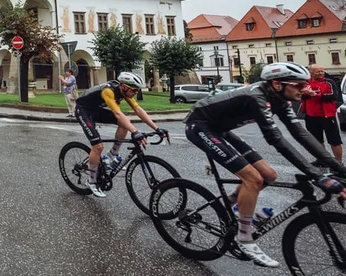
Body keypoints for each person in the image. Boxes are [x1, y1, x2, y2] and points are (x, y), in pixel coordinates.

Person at [184, 62, 346, 267]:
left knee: (269, 175)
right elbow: (276, 140)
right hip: (200, 126)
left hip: (220, 129)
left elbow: (301, 134)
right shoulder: (256, 97)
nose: (304, 89)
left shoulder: (279, 99)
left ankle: (232, 204)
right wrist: (316, 175)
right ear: (277, 85)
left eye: (305, 84)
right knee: (253, 178)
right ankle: (243, 238)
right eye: (298, 85)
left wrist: (339, 169)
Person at [75, 72, 163, 198]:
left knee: (124, 124)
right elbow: (118, 114)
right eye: (134, 90)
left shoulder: (123, 91)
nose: (135, 93)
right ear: (123, 86)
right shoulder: (108, 91)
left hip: (96, 110)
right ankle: (91, 181)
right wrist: (135, 132)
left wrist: (157, 128)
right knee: (98, 146)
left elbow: (138, 110)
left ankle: (111, 157)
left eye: (137, 90)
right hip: (83, 111)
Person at [302, 64, 342, 163]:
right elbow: (300, 97)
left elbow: (334, 96)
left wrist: (317, 95)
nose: (321, 73)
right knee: (317, 141)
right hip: (311, 116)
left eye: (322, 71)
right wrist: (306, 94)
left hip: (327, 116)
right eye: (318, 71)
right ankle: (322, 160)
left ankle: (338, 163)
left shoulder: (329, 82)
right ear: (311, 73)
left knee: (334, 141)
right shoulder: (306, 83)